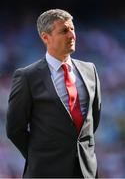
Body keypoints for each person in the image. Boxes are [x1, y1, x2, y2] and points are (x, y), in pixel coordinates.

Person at [6, 9, 101, 178]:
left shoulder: (90, 70)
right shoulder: (28, 76)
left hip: (86, 171)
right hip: (46, 171)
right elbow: (15, 129)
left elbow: (93, 119)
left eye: (73, 29)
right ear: (45, 37)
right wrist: (41, 156)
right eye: (64, 31)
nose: (72, 35)